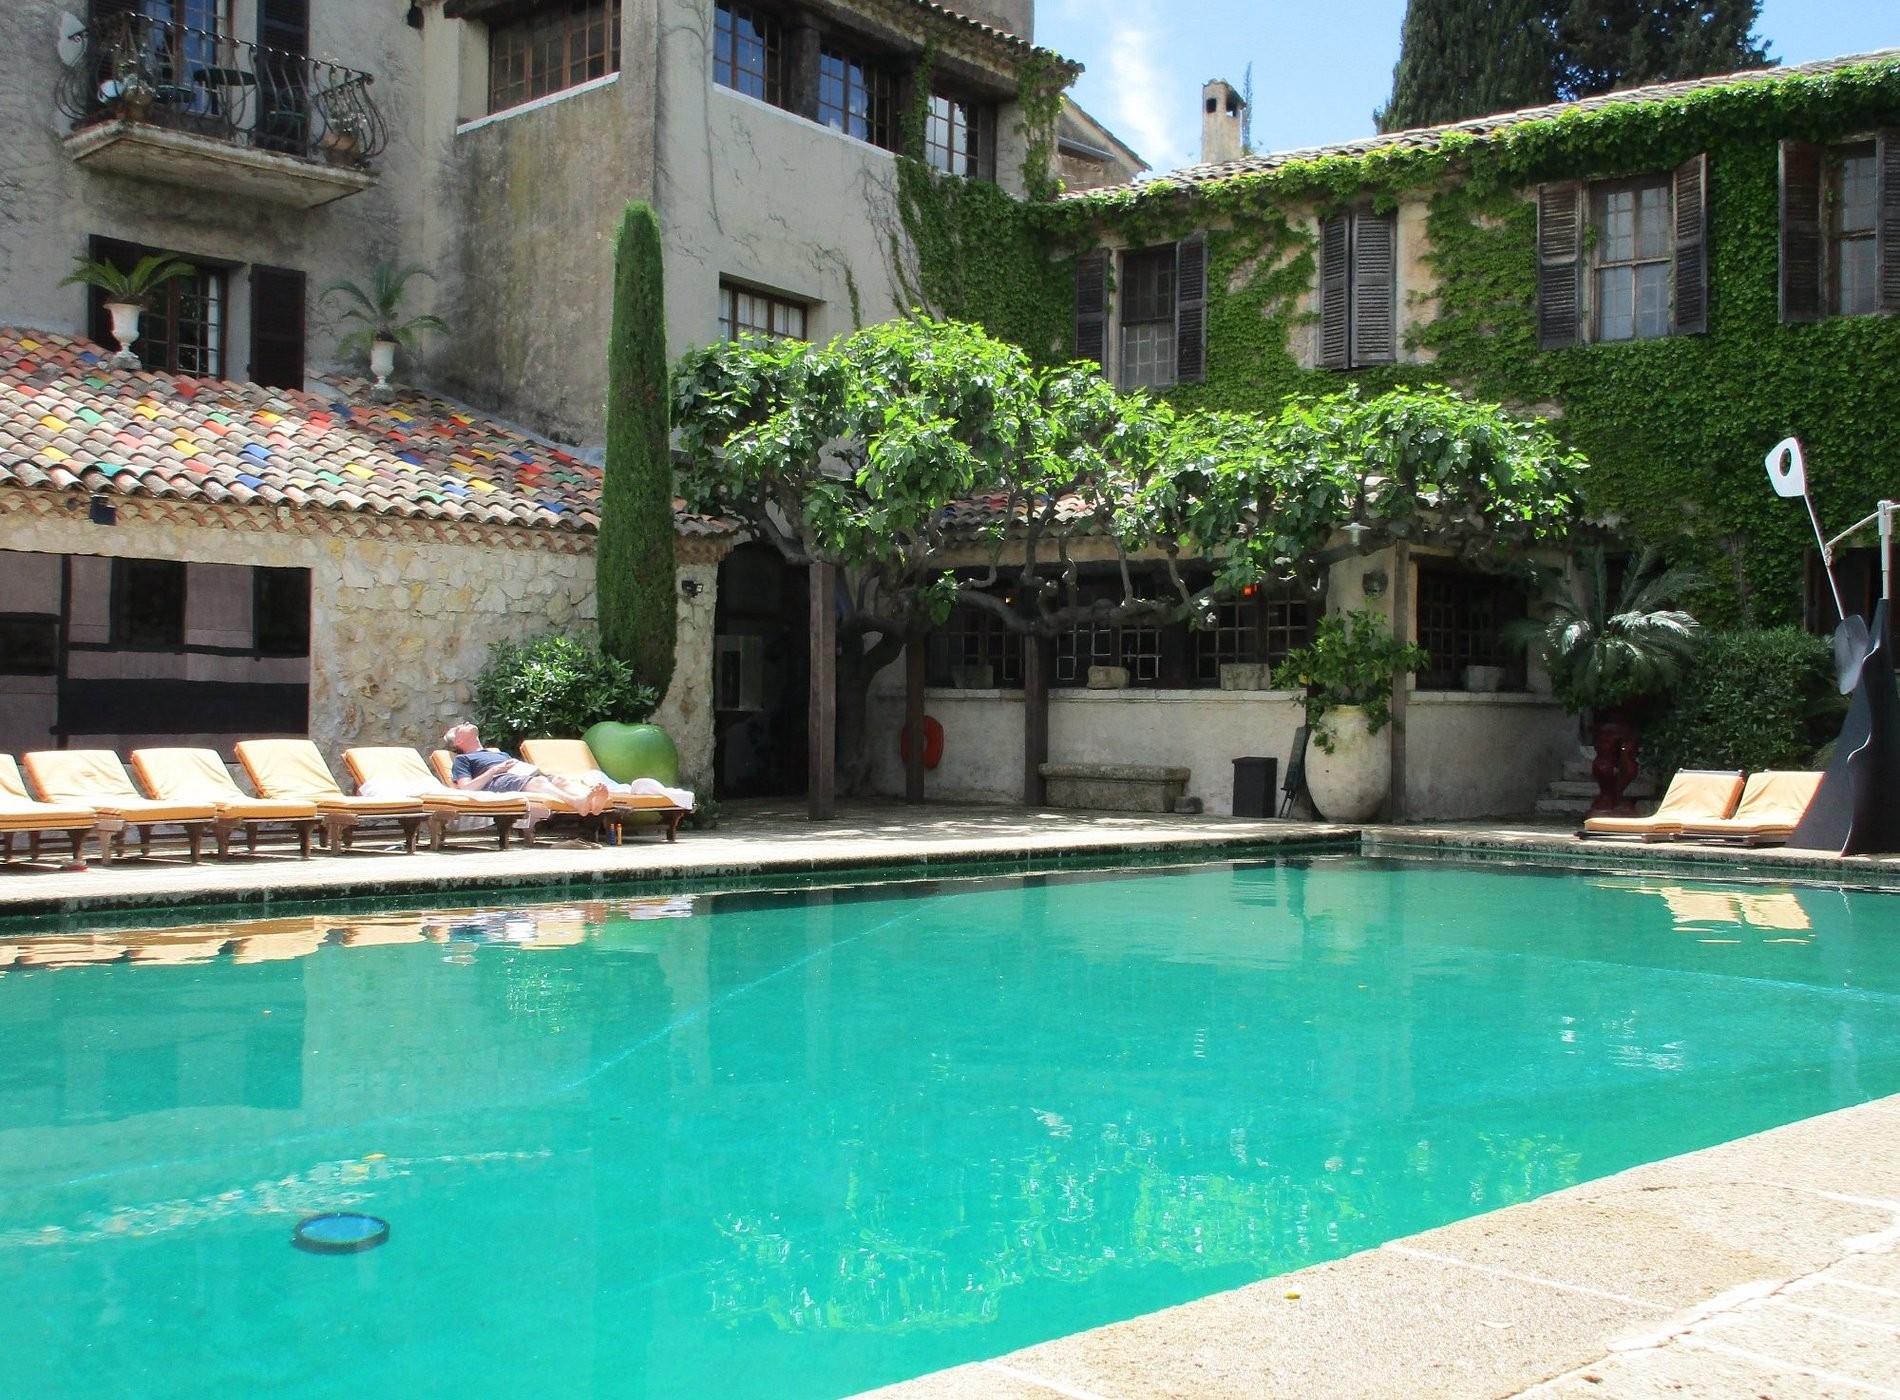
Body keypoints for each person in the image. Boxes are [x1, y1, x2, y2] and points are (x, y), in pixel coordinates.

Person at [441, 722, 613, 817]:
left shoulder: (498, 753)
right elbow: (466, 788)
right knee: (539, 782)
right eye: (459, 728)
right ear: (458, 743)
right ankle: (578, 802)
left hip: (518, 775)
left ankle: (589, 801)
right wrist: (495, 770)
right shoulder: (463, 759)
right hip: (497, 781)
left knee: (560, 780)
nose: (465, 723)